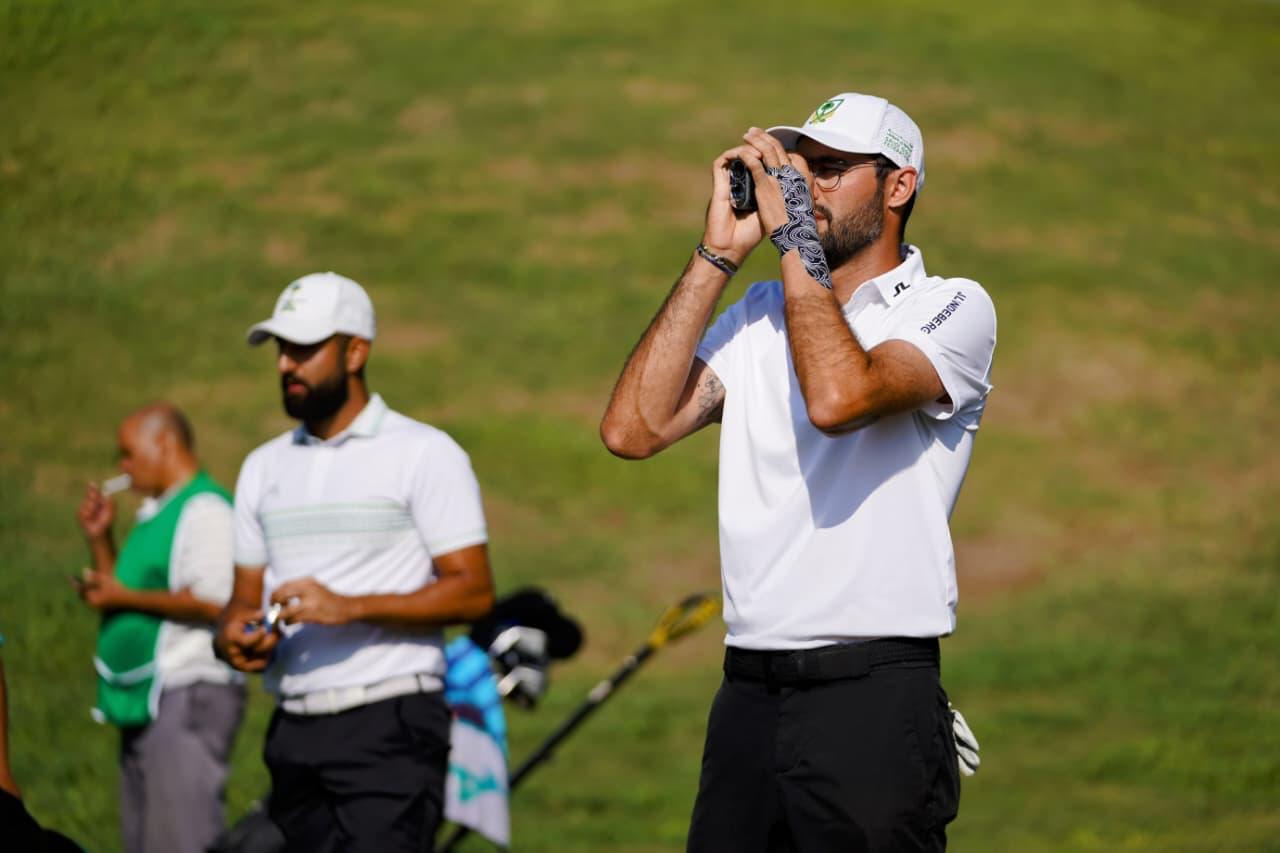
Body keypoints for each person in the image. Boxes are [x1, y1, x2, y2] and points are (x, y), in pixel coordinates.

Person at [600, 92, 997, 851]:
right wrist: (717, 254)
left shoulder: (951, 306)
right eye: (800, 166)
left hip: (873, 696)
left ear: (899, 186)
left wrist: (794, 248)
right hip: (748, 693)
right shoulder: (759, 311)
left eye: (832, 168)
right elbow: (632, 430)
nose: (805, 186)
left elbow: (839, 399)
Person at [214, 271, 496, 853]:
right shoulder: (262, 467)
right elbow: (240, 602)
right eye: (281, 348)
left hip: (390, 722)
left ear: (356, 352)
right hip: (292, 728)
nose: (285, 365)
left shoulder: (425, 453)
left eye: (304, 348)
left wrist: (347, 607)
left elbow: (473, 592)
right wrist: (234, 638)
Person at [75, 403, 245, 853]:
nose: (123, 467)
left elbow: (215, 600)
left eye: (129, 454)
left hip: (188, 689)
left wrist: (123, 597)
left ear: (165, 444)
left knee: (180, 839)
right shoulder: (155, 513)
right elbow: (119, 590)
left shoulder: (205, 510)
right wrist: (100, 538)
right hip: (148, 695)